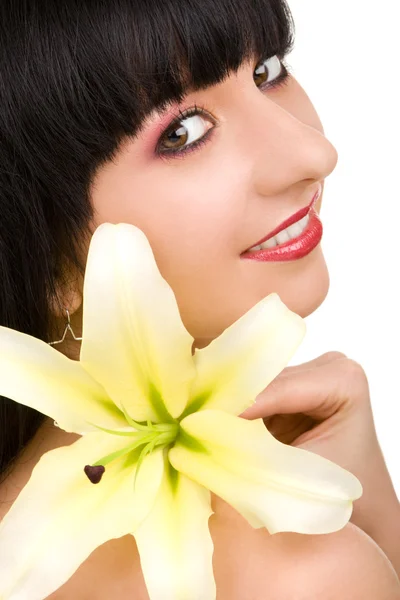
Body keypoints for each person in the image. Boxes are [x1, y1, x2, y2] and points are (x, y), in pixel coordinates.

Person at [0, 0, 399, 598]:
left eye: (267, 70)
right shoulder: (304, 573)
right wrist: (372, 530)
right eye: (182, 133)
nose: (315, 155)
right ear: (49, 263)